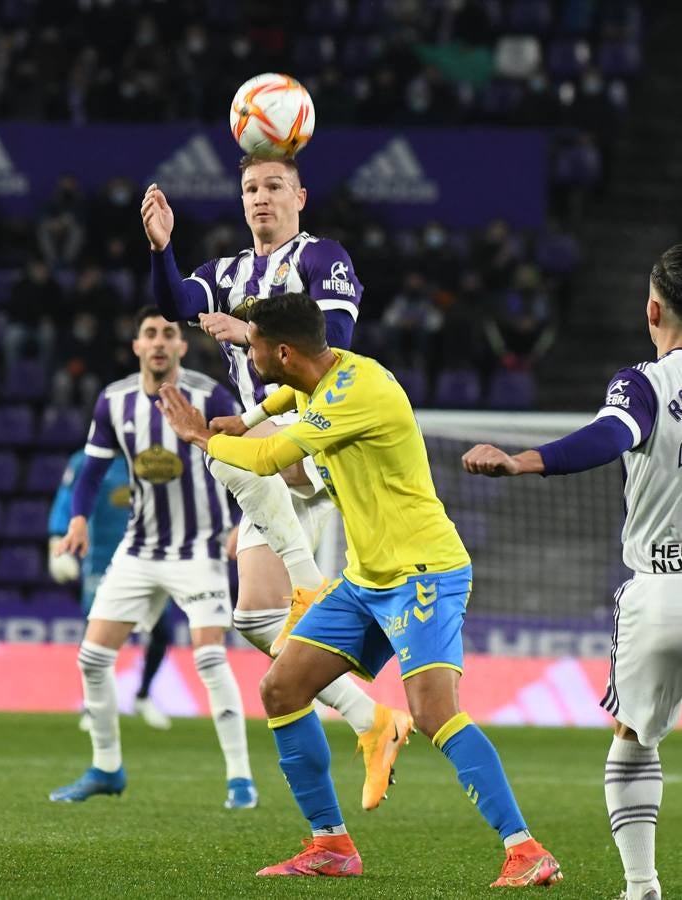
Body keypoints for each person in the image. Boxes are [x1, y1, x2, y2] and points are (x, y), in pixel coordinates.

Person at [156, 292, 561, 886]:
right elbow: (288, 394)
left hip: (422, 571)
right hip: (366, 577)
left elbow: (269, 458)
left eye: (255, 346)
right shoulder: (328, 369)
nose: (249, 355)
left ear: (284, 351)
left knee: (432, 713)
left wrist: (200, 436)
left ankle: (526, 850)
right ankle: (331, 846)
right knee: (281, 688)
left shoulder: (356, 394)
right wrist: (243, 418)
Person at [141, 155, 413, 810]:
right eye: (249, 189)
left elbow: (335, 339)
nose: (260, 198)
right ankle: (373, 720)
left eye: (272, 187)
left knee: (221, 449)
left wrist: (253, 330)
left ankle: (325, 586)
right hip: (266, 448)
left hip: (317, 435)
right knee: (256, 615)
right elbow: (175, 302)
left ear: (300, 196)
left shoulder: (323, 257)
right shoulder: (229, 271)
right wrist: (162, 248)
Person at [461, 244, 682, 900]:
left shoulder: (644, 383)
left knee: (633, 737)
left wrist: (520, 461)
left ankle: (640, 887)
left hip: (658, 590)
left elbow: (609, 435)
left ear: (651, 308)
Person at [49, 306, 256, 810]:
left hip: (201, 548)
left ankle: (240, 779)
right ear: (137, 346)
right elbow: (92, 471)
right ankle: (106, 768)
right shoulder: (114, 401)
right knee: (93, 659)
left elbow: (251, 457)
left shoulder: (210, 395)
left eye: (169, 333)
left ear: (182, 346)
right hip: (139, 549)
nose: (160, 342)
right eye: (150, 334)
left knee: (209, 656)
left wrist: (243, 521)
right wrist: (77, 519)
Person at [48, 449, 174, 730]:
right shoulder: (86, 460)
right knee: (96, 636)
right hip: (101, 559)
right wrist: (57, 537)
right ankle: (93, 705)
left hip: (151, 558)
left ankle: (143, 695)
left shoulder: (155, 456)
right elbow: (66, 499)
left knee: (161, 631)